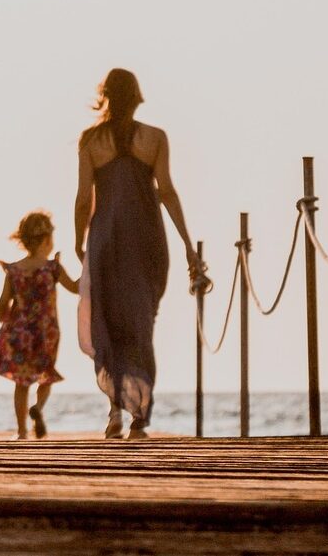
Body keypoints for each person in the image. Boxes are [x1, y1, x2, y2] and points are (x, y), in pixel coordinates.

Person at [74, 68, 200, 440]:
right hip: (147, 238)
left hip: (107, 240)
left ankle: (114, 409)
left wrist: (80, 240)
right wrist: (187, 244)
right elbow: (168, 193)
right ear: (138, 96)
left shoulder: (90, 140)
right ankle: (139, 418)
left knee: (109, 322)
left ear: (106, 96)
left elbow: (83, 199)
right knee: (142, 324)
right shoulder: (155, 138)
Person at [0, 212, 78, 440]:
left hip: (20, 332)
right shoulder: (52, 268)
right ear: (47, 240)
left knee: (21, 383)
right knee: (45, 374)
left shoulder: (14, 271)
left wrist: (0, 312)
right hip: (46, 330)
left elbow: (2, 305)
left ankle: (21, 431)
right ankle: (38, 408)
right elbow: (76, 288)